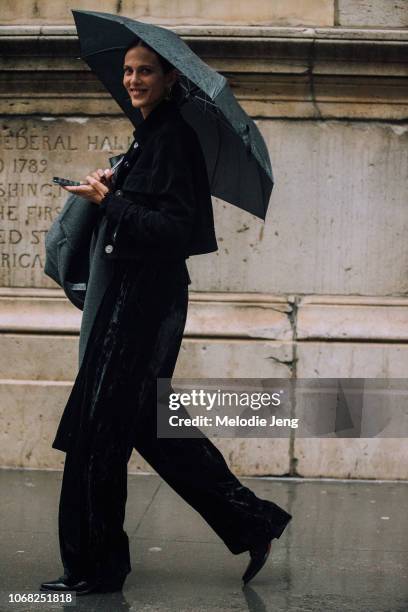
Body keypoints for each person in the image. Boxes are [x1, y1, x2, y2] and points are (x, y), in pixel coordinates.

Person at [40, 38, 292, 596]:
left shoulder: (174, 140)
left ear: (171, 79)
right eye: (128, 71)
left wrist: (111, 203)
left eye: (145, 72)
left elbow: (176, 233)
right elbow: (145, 212)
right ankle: (253, 522)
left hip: (144, 304)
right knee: (153, 428)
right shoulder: (149, 137)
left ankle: (97, 568)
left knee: (97, 431)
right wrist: (110, 188)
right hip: (133, 297)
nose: (133, 80)